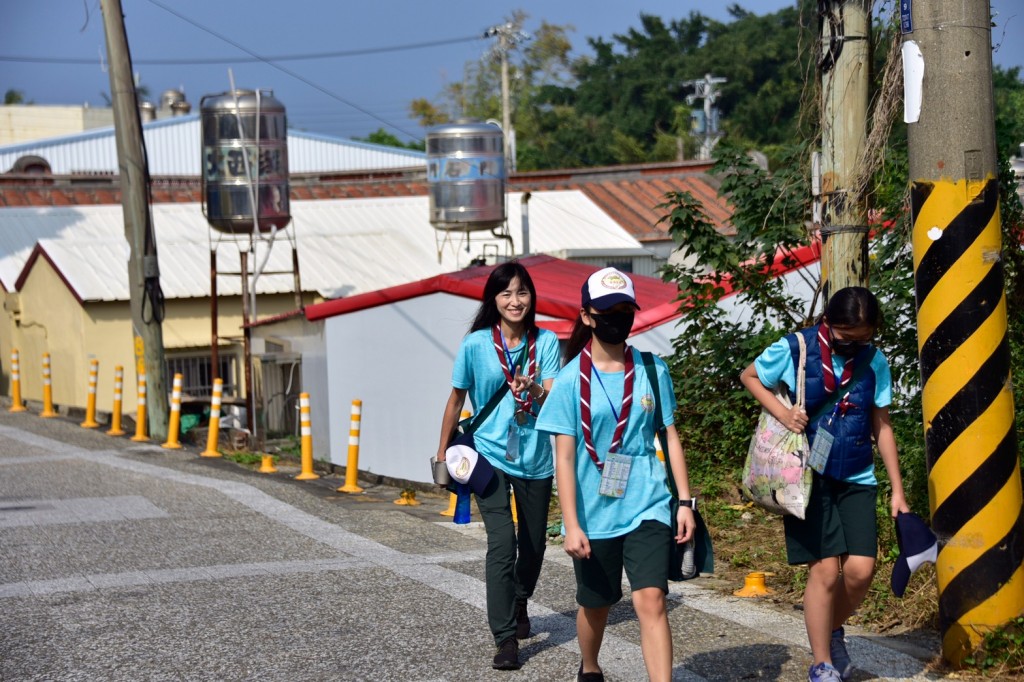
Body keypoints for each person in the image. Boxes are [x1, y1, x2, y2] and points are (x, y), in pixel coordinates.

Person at [739, 286, 909, 682]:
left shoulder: (874, 361)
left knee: (861, 572)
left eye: (864, 338)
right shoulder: (796, 347)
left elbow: (881, 425)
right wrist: (784, 413)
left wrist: (896, 489)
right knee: (826, 572)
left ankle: (829, 628)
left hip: (857, 476)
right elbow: (750, 375)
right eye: (847, 337)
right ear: (828, 324)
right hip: (805, 476)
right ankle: (822, 663)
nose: (855, 345)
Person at [535, 267, 695, 682]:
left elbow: (670, 437)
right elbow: (564, 460)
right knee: (597, 603)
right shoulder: (569, 381)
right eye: (607, 310)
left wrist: (684, 502)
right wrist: (571, 525)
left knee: (652, 600)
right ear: (587, 316)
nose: (617, 318)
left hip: (648, 503)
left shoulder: (651, 370)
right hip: (594, 512)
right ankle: (589, 666)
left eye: (625, 309)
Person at [434, 260, 560, 671]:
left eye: (521, 292)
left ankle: (519, 598)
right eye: (505, 293)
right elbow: (456, 401)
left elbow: (554, 400)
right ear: (493, 299)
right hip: (488, 453)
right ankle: (505, 638)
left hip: (536, 456)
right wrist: (441, 456)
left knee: (535, 546)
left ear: (531, 298)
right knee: (502, 542)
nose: (514, 300)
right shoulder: (475, 345)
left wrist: (535, 387)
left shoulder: (547, 343)